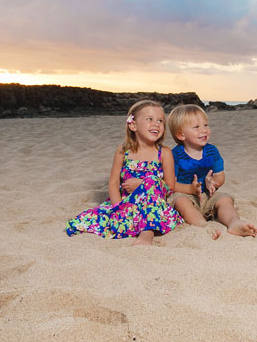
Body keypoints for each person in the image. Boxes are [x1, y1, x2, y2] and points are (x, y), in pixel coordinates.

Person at [66, 100, 183, 245]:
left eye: (160, 121)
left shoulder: (164, 152)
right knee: (92, 220)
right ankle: (129, 221)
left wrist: (143, 184)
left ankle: (147, 232)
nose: (156, 124)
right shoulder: (124, 151)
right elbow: (114, 183)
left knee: (152, 180)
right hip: (127, 202)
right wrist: (118, 208)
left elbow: (169, 186)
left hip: (153, 204)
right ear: (133, 125)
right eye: (150, 119)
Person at [165, 104, 257, 239]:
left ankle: (234, 222)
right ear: (181, 135)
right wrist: (190, 189)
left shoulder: (212, 151)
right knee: (180, 201)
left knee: (225, 199)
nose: (204, 130)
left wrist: (213, 182)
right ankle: (203, 225)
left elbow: (220, 176)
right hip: (186, 195)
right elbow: (170, 184)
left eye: (206, 125)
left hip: (207, 195)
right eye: (197, 127)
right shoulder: (175, 155)